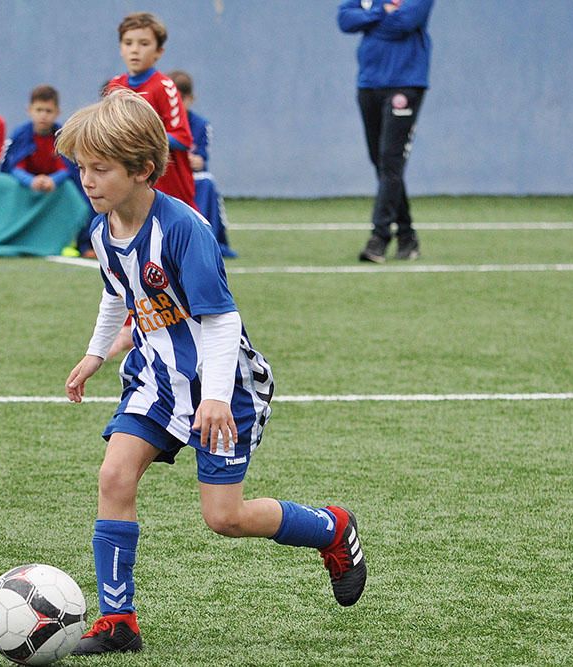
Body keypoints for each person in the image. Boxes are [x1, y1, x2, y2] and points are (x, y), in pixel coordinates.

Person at [56, 89, 368, 655]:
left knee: (224, 518)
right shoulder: (103, 231)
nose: (88, 180)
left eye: (100, 169)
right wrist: (96, 353)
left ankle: (333, 528)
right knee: (114, 477)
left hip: (225, 388)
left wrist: (217, 397)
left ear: (143, 169)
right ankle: (118, 620)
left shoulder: (183, 230)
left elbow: (222, 321)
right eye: (82, 168)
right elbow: (115, 295)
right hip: (155, 379)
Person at [338, 0, 434, 263]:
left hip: (405, 84)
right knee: (380, 162)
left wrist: (369, 19)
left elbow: (405, 23)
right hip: (369, 84)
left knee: (390, 160)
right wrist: (381, 12)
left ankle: (379, 238)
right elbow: (345, 20)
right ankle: (407, 235)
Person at [106, 12, 196, 209]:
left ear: (159, 52)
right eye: (128, 43)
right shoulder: (115, 86)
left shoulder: (164, 86)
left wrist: (141, 136)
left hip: (169, 187)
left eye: (144, 43)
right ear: (121, 48)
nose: (135, 50)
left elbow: (182, 138)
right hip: (129, 185)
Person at [168, 69, 236, 258]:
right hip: (166, 178)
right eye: (172, 101)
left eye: (181, 100)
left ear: (191, 99)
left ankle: (208, 238)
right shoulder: (159, 122)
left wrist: (197, 161)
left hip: (190, 178)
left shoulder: (200, 125)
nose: (177, 106)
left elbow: (202, 159)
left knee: (207, 182)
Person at [2, 85, 70, 192]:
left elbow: (67, 168)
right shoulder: (20, 134)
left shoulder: (62, 136)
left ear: (57, 112)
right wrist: (31, 181)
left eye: (48, 111)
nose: (43, 115)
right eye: (39, 110)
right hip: (25, 189)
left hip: (54, 190)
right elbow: (14, 167)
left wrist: (53, 180)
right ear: (29, 110)